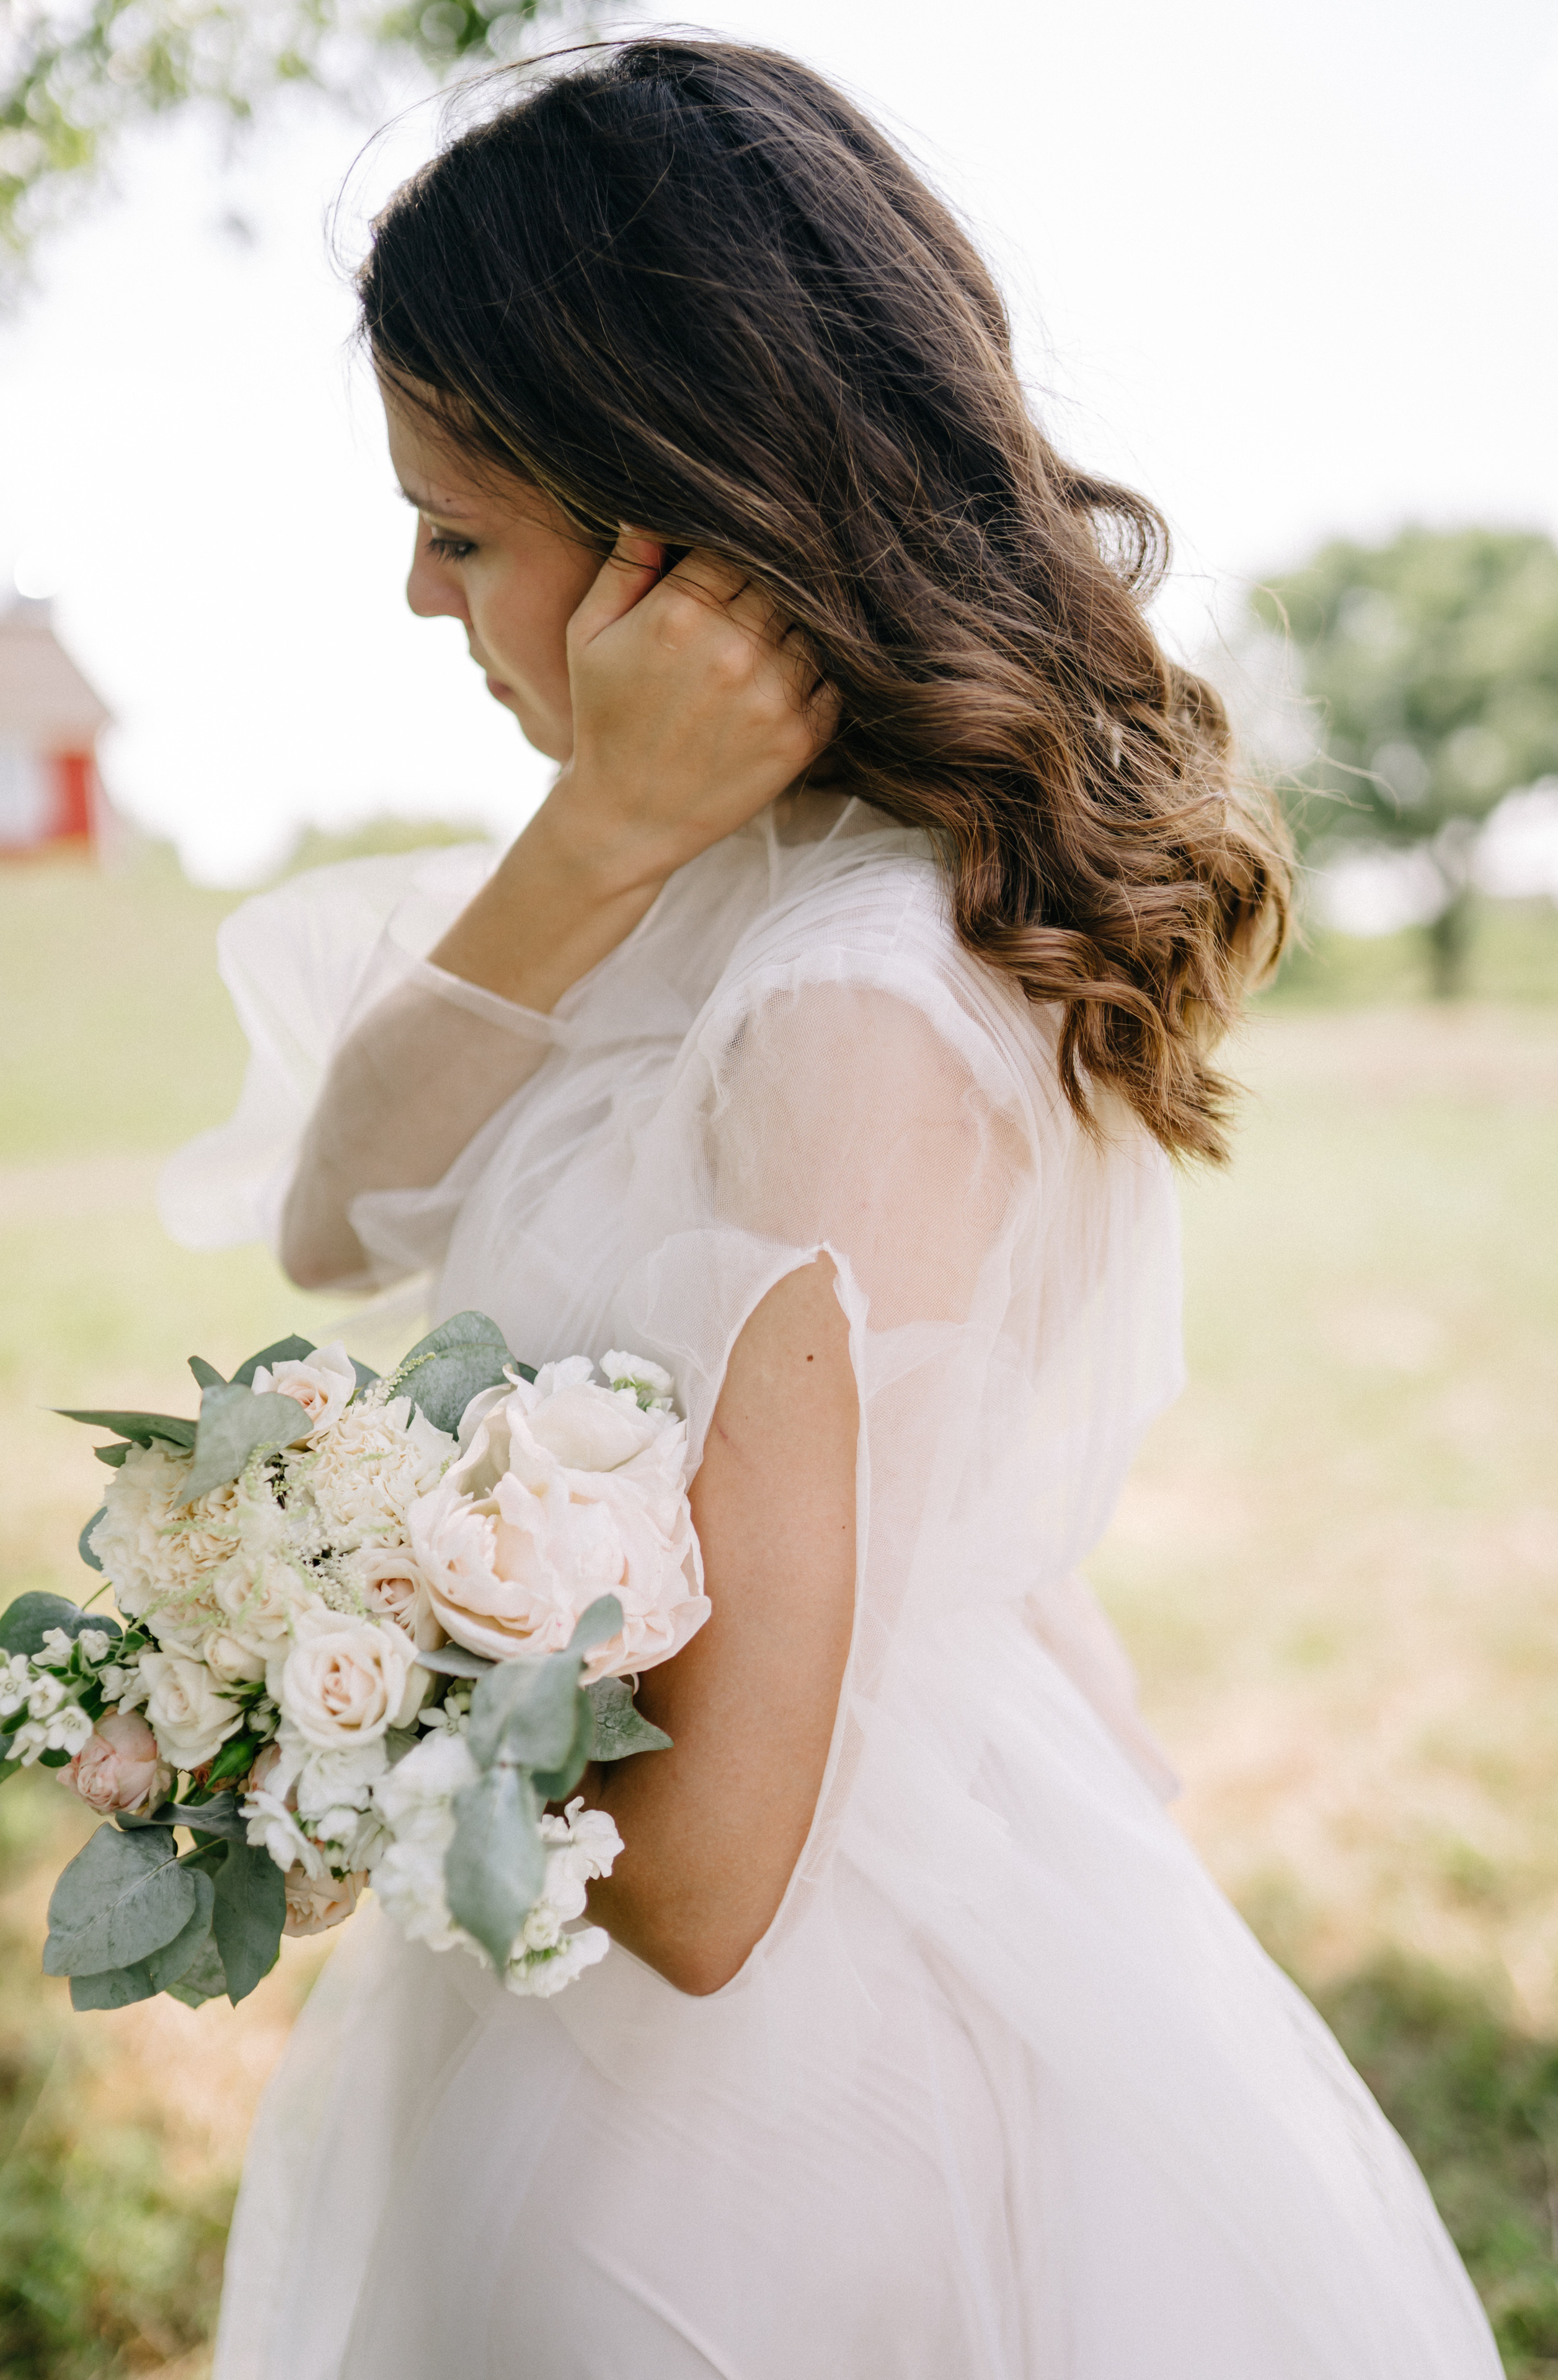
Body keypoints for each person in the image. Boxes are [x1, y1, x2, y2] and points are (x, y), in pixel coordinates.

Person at [164, 38, 1502, 2378]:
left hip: (747, 2139)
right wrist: (593, 845)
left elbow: (701, 1879)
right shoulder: (689, 901)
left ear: (670, 532)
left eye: (460, 524)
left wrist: (337, 1703)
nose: (411, 590)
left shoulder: (848, 1015)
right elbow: (335, 1216)